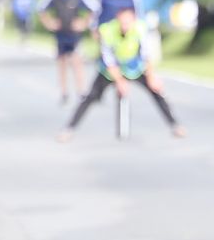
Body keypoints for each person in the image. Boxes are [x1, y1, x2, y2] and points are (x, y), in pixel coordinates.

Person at [58, 7, 185, 142]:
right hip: (110, 69)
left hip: (133, 67)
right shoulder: (107, 30)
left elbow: (146, 55)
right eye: (123, 22)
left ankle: (175, 125)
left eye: (128, 22)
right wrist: (119, 81)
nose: (125, 26)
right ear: (118, 20)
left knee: (157, 91)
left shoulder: (140, 28)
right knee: (91, 97)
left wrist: (152, 77)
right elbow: (108, 59)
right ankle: (69, 129)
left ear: (134, 20)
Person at [37, 0, 99, 105]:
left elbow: (94, 8)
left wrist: (84, 23)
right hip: (60, 34)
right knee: (62, 63)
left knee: (77, 62)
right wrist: (49, 23)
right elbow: (41, 8)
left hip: (74, 34)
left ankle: (81, 90)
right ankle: (64, 91)